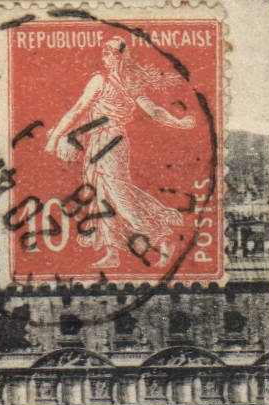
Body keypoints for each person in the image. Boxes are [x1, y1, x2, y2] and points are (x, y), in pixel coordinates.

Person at [44, 35, 197, 270]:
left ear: (120, 58)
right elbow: (78, 110)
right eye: (104, 53)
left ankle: (162, 236)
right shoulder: (103, 81)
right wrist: (56, 137)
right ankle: (112, 251)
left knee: (119, 196)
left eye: (110, 54)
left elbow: (154, 111)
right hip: (97, 141)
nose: (106, 58)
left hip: (112, 141)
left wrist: (179, 123)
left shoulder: (126, 83)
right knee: (100, 195)